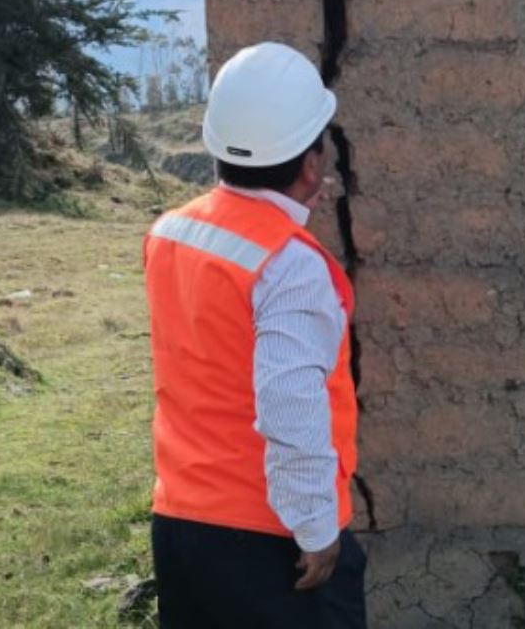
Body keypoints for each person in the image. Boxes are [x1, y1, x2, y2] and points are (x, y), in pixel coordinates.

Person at [144, 41, 367, 628]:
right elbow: (289, 405)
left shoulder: (171, 234)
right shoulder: (289, 266)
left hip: (182, 527)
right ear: (311, 163)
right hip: (271, 547)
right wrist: (316, 530)